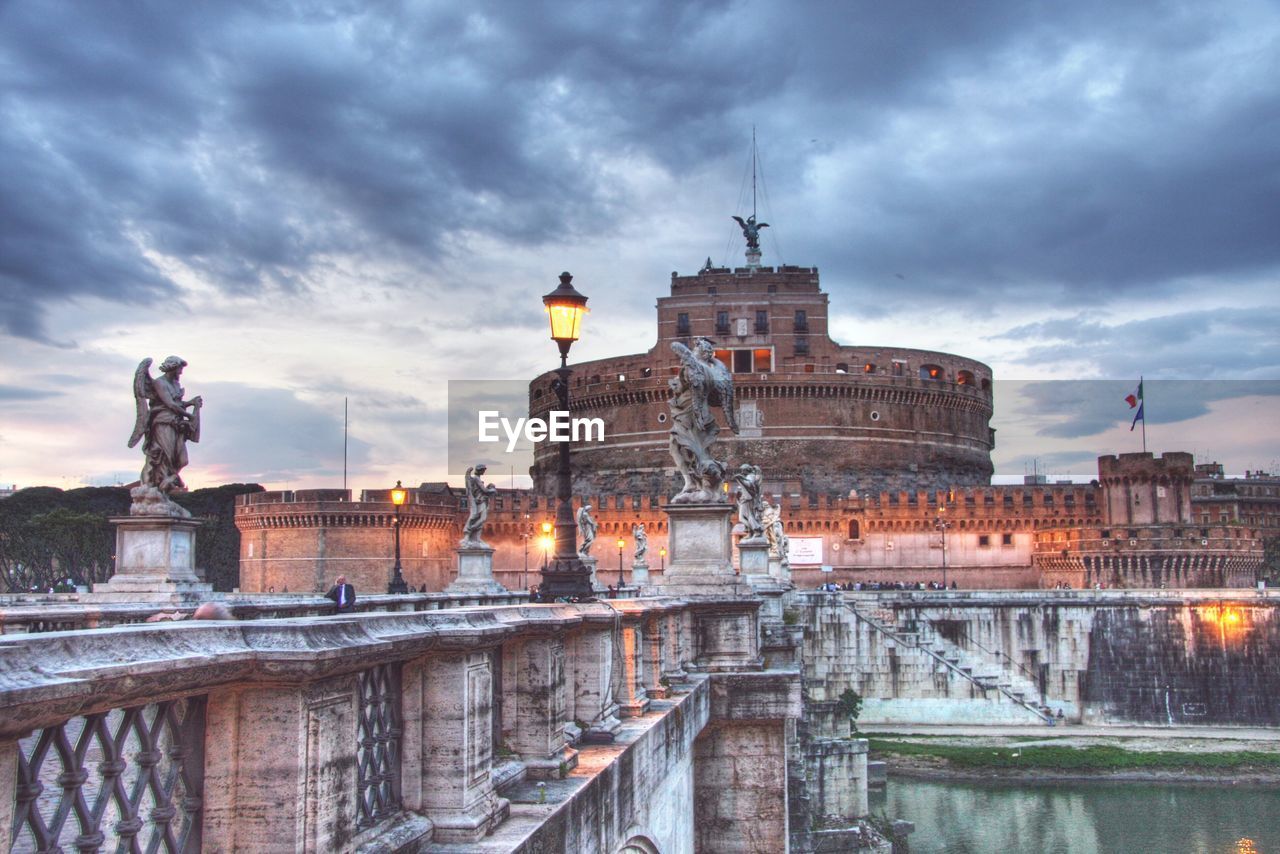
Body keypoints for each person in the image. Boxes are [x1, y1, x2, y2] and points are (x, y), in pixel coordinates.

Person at [129, 356, 202, 496]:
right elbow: (170, 404)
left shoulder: (175, 384)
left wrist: (191, 403)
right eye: (180, 369)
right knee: (164, 457)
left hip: (177, 425)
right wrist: (190, 416)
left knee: (182, 460)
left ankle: (170, 480)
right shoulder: (159, 383)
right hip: (163, 424)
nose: (181, 373)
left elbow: (177, 404)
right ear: (173, 368)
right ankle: (157, 488)